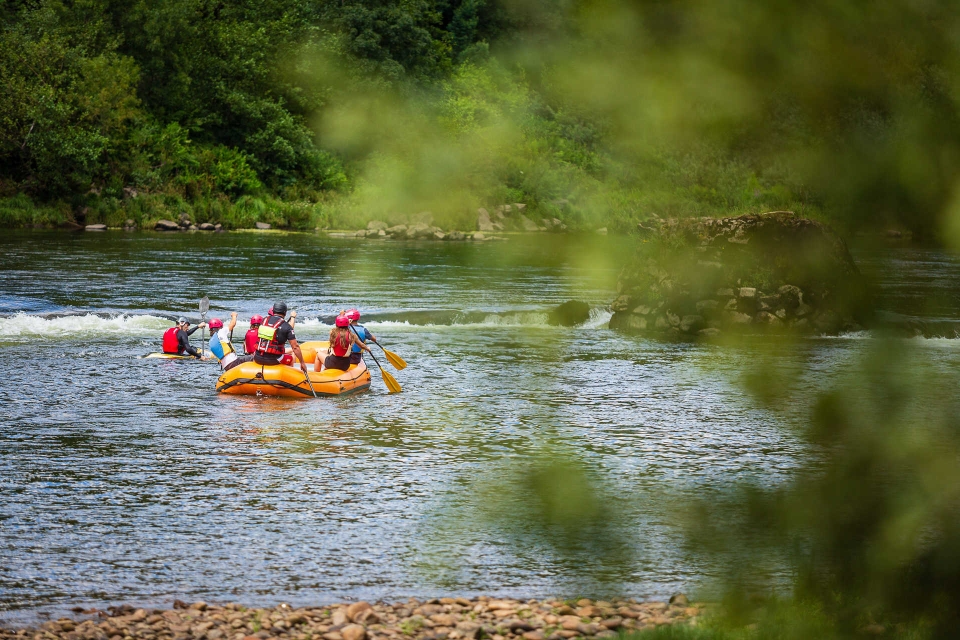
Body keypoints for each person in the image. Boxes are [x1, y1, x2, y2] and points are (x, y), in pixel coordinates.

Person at [254, 301, 307, 372]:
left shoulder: (264, 320)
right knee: (291, 358)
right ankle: (287, 377)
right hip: (273, 360)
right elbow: (295, 347)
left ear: (273, 310)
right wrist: (302, 362)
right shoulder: (286, 326)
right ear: (285, 312)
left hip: (257, 357)